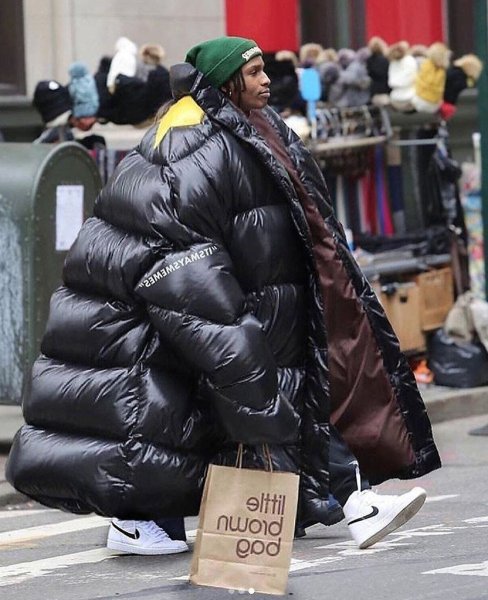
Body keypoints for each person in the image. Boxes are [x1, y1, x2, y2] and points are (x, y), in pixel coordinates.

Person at [7, 36, 441, 556]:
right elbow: (178, 261)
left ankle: (350, 502)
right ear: (227, 82)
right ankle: (145, 520)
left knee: (250, 407)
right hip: (170, 315)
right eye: (254, 72)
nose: (266, 80)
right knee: (191, 416)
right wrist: (236, 341)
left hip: (221, 306)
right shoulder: (192, 144)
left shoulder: (247, 129)